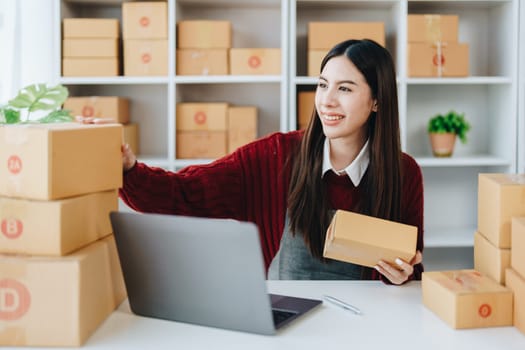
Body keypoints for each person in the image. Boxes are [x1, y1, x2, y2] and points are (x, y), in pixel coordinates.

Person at [86, 39, 424, 285]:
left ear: (377, 101)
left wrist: (402, 274)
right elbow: (183, 194)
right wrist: (129, 169)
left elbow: (412, 270)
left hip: (365, 331)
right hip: (285, 325)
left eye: (345, 89)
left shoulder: (404, 174)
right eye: (323, 85)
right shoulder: (274, 157)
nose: (327, 101)